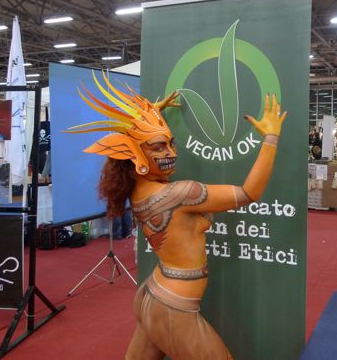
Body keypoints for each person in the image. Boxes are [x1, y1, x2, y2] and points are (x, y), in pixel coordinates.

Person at [67, 71, 286, 359]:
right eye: (159, 147)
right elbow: (248, 192)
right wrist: (271, 137)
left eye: (171, 143)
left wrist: (153, 113)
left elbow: (138, 150)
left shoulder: (136, 189)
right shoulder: (182, 193)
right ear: (135, 155)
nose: (170, 152)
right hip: (174, 306)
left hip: (153, 294)